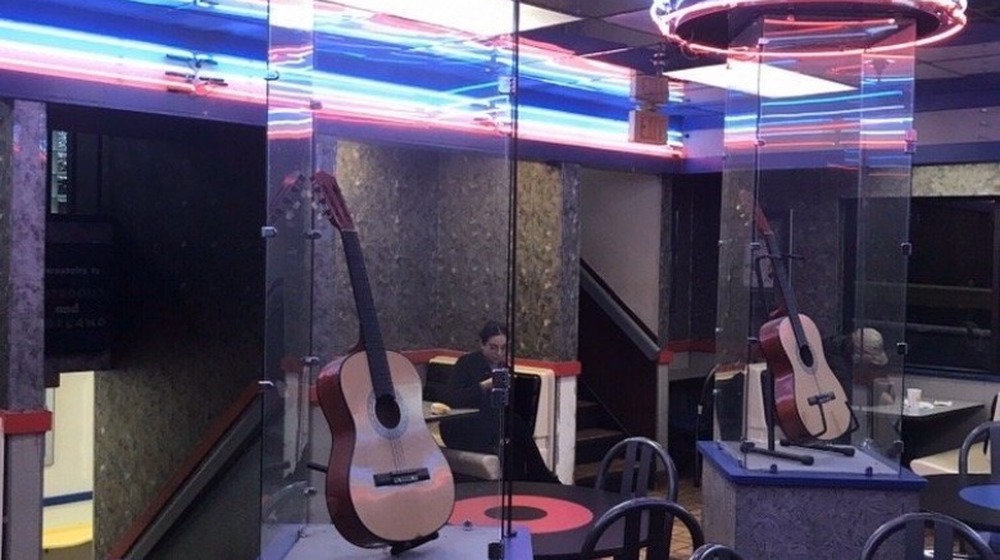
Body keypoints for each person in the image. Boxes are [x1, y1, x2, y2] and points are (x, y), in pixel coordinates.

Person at [439, 320, 561, 483]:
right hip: (461, 425)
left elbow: (505, 405)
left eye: (503, 348)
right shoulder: (467, 363)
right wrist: (485, 386)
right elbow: (452, 399)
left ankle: (524, 485)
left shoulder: (504, 368)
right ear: (482, 345)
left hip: (490, 424)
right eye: (493, 347)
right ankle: (544, 478)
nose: (499, 353)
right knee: (513, 426)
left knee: (512, 437)